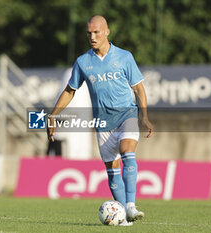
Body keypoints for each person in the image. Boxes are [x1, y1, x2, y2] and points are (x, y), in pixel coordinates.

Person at [47, 15, 154, 226]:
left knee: (127, 151)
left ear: (107, 32)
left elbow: (139, 88)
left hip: (127, 115)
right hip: (103, 123)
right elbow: (70, 90)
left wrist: (145, 117)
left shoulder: (124, 57)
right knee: (112, 169)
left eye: (96, 32)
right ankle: (123, 215)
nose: (92, 37)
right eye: (89, 33)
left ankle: (131, 205)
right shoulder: (83, 62)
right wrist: (53, 115)